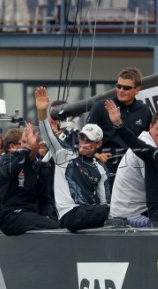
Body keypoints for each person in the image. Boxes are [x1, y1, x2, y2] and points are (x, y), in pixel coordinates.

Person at [36, 86, 111, 233]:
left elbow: (104, 202)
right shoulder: (63, 154)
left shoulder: (101, 168)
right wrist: (42, 112)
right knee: (116, 211)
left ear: (99, 144)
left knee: (114, 210)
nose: (83, 143)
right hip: (69, 214)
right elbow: (47, 135)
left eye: (89, 140)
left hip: (88, 216)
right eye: (82, 138)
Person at [110, 110, 158, 226]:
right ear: (150, 127)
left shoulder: (153, 144)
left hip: (137, 208)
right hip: (128, 215)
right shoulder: (147, 147)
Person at [86, 67, 152, 178]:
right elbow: (86, 137)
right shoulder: (101, 107)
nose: (121, 90)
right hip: (105, 170)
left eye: (126, 88)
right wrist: (94, 153)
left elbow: (149, 141)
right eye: (118, 86)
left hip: (134, 172)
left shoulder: (144, 110)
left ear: (137, 90)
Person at [0, 123, 59, 236]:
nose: (24, 146)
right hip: (10, 215)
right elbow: (8, 173)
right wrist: (28, 150)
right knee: (53, 226)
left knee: (59, 223)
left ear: (41, 145)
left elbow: (46, 199)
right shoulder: (8, 159)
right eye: (23, 142)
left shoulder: (41, 166)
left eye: (28, 142)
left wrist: (48, 214)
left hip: (31, 214)